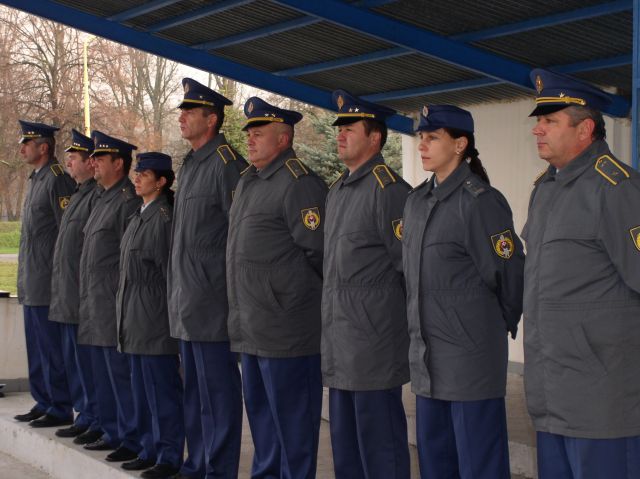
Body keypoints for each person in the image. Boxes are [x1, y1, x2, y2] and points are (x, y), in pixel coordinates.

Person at [522, 68, 640, 478]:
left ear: (585, 129)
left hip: (602, 402)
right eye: (539, 121)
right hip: (550, 396)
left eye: (550, 121)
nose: (538, 130)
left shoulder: (617, 189)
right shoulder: (545, 190)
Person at [402, 105, 524, 478]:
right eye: (421, 137)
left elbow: (510, 275)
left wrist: (488, 330)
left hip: (471, 364)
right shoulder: (416, 202)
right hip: (429, 363)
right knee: (436, 465)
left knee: (479, 466)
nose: (422, 145)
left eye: (432, 137)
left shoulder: (480, 202)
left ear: (460, 145)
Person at [227, 97, 327, 478]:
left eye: (259, 132)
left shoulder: (299, 184)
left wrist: (287, 299)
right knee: (264, 430)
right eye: (249, 132)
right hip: (252, 328)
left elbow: (320, 255)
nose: (250, 139)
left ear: (283, 139)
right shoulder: (249, 181)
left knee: (293, 432)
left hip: (288, 334)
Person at [322, 90, 411, 478]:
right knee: (346, 450)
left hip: (373, 346)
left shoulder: (389, 191)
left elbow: (409, 268)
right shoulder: (338, 190)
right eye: (339, 128)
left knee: (380, 449)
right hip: (340, 343)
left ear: (375, 138)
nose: (340, 134)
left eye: (350, 128)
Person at [168, 78, 246, 478]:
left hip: (213, 302)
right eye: (182, 112)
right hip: (188, 301)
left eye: (189, 112)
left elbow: (239, 236)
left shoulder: (226, 163)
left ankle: (219, 469)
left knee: (218, 394)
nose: (182, 118)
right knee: (195, 394)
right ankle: (196, 464)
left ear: (211, 119)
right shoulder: (191, 163)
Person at [115, 152, 184, 479]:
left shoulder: (163, 219)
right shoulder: (139, 215)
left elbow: (169, 275)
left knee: (162, 394)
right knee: (142, 391)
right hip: (133, 318)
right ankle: (148, 449)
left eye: (145, 174)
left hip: (155, 319)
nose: (137, 178)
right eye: (137, 172)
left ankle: (169, 455)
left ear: (161, 182)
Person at [77, 131, 142, 463]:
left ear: (119, 164)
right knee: (102, 373)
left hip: (112, 301)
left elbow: (128, 255)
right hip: (94, 300)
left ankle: (129, 435)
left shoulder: (127, 200)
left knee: (120, 374)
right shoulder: (101, 198)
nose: (93, 163)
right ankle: (110, 428)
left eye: (100, 158)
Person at [14, 120, 76, 428]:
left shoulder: (56, 179)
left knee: (52, 348)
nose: (22, 149)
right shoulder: (35, 179)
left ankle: (59, 405)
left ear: (44, 147)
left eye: (27, 143)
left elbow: (66, 232)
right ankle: (43, 399)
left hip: (48, 281)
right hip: (32, 279)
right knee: (37, 347)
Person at [49, 129, 102, 444]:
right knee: (75, 363)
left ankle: (94, 416)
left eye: (74, 157)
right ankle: (85, 414)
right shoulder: (79, 193)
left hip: (83, 296)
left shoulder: (94, 195)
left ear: (89, 163)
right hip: (68, 294)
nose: (68, 162)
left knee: (88, 365)